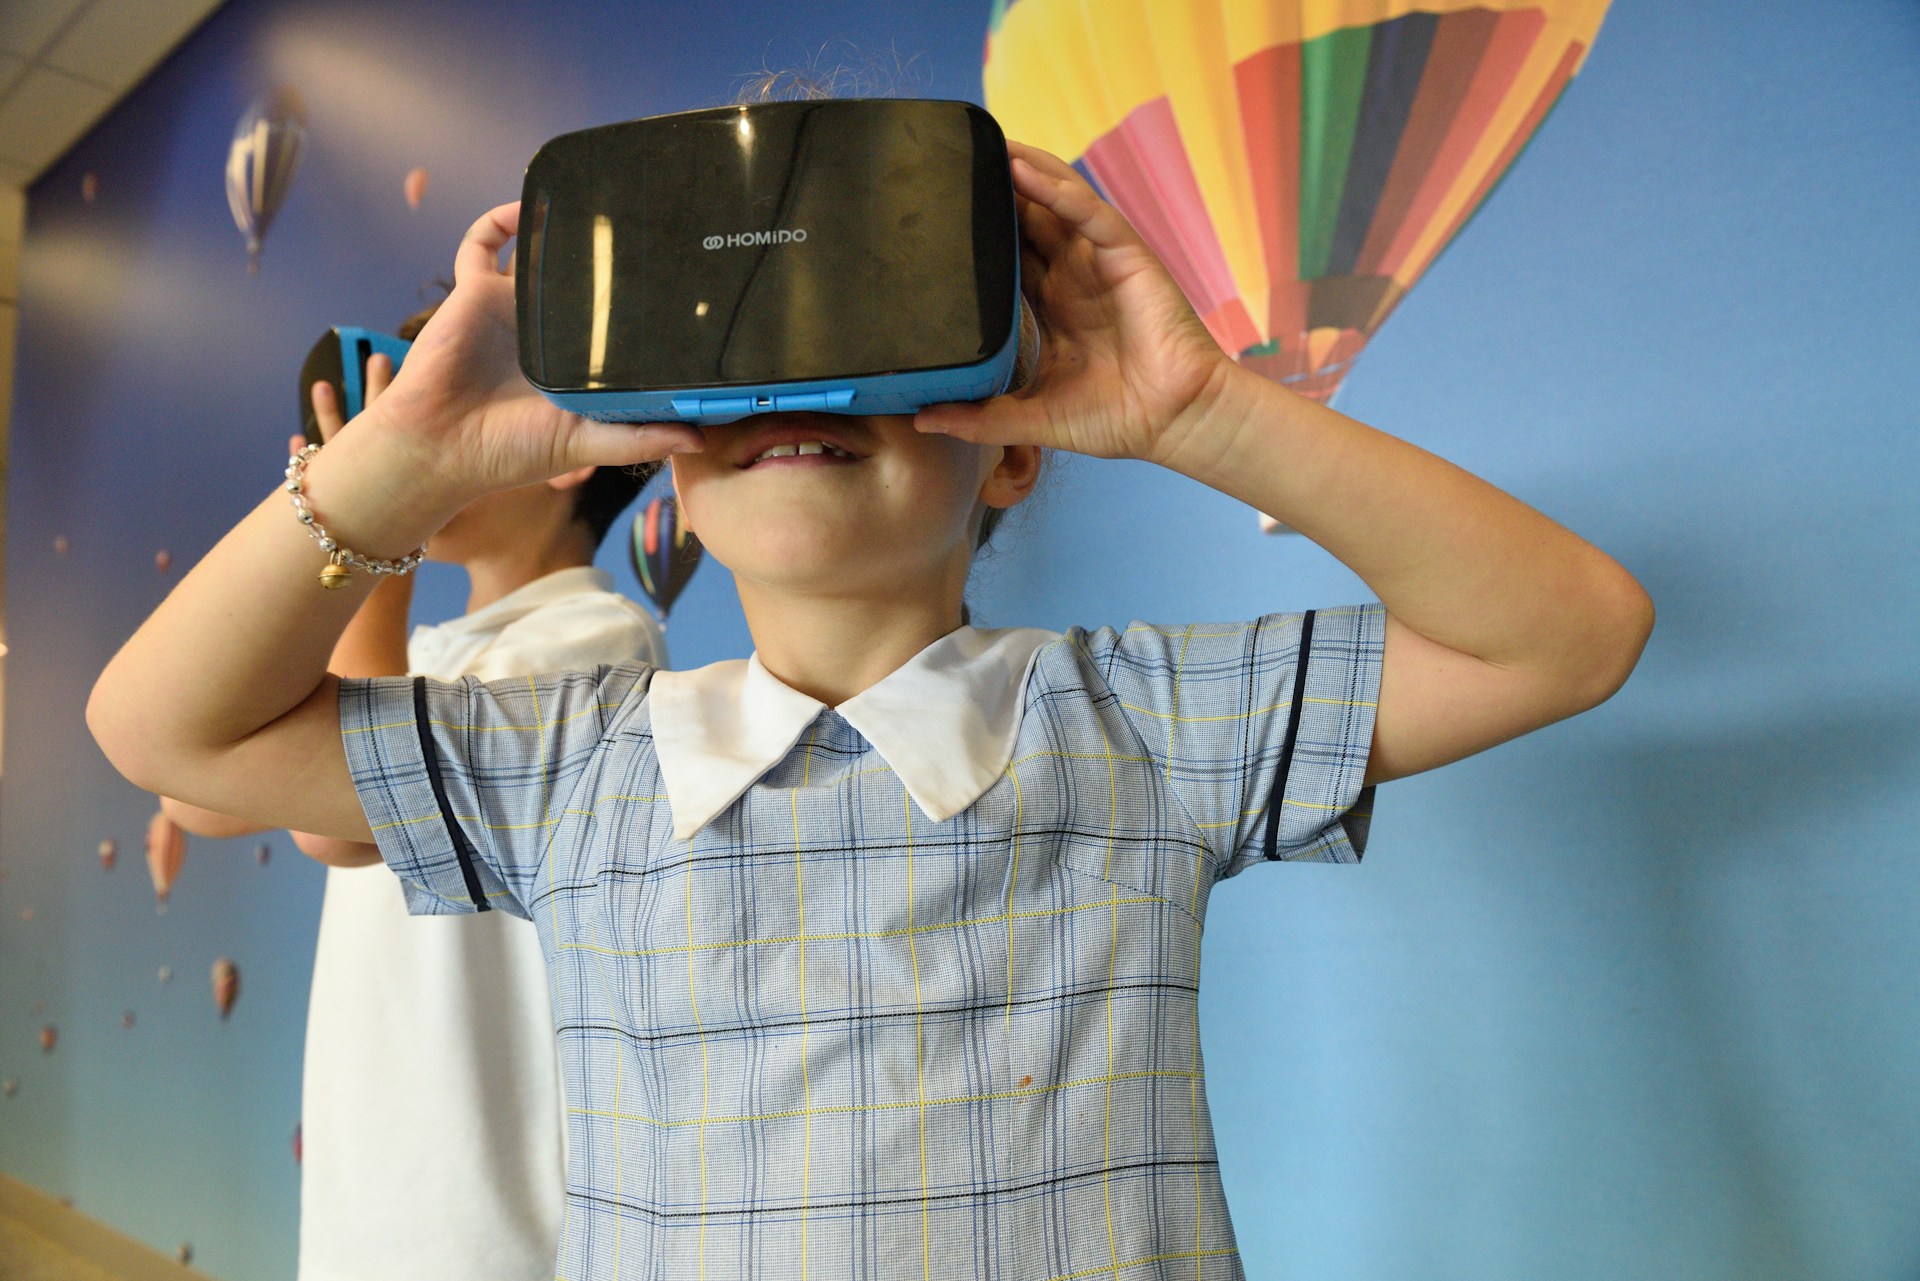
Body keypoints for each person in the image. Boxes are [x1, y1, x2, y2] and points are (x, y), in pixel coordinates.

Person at [90, 140, 1652, 1279]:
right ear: (668, 451)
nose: (800, 398)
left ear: (1016, 445)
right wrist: (406, 461)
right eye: (735, 368)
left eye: (869, 350)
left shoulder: (1140, 725)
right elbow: (170, 737)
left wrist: (1200, 411)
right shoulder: (569, 763)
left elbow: (1569, 636)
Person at [159, 303, 666, 1281]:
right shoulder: (422, 658)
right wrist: (322, 525)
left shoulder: (599, 651)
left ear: (562, 450)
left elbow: (338, 836)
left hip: (489, 1222)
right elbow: (193, 793)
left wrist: (373, 535)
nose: (410, 436)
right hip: (371, 1197)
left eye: (451, 404)